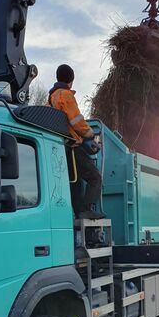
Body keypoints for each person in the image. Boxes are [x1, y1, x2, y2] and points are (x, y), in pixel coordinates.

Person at [48, 64, 104, 219]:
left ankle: (79, 212)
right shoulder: (65, 95)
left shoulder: (50, 98)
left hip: (61, 148)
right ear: (71, 80)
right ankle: (86, 209)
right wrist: (90, 134)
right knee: (95, 177)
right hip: (73, 146)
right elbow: (76, 121)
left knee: (75, 182)